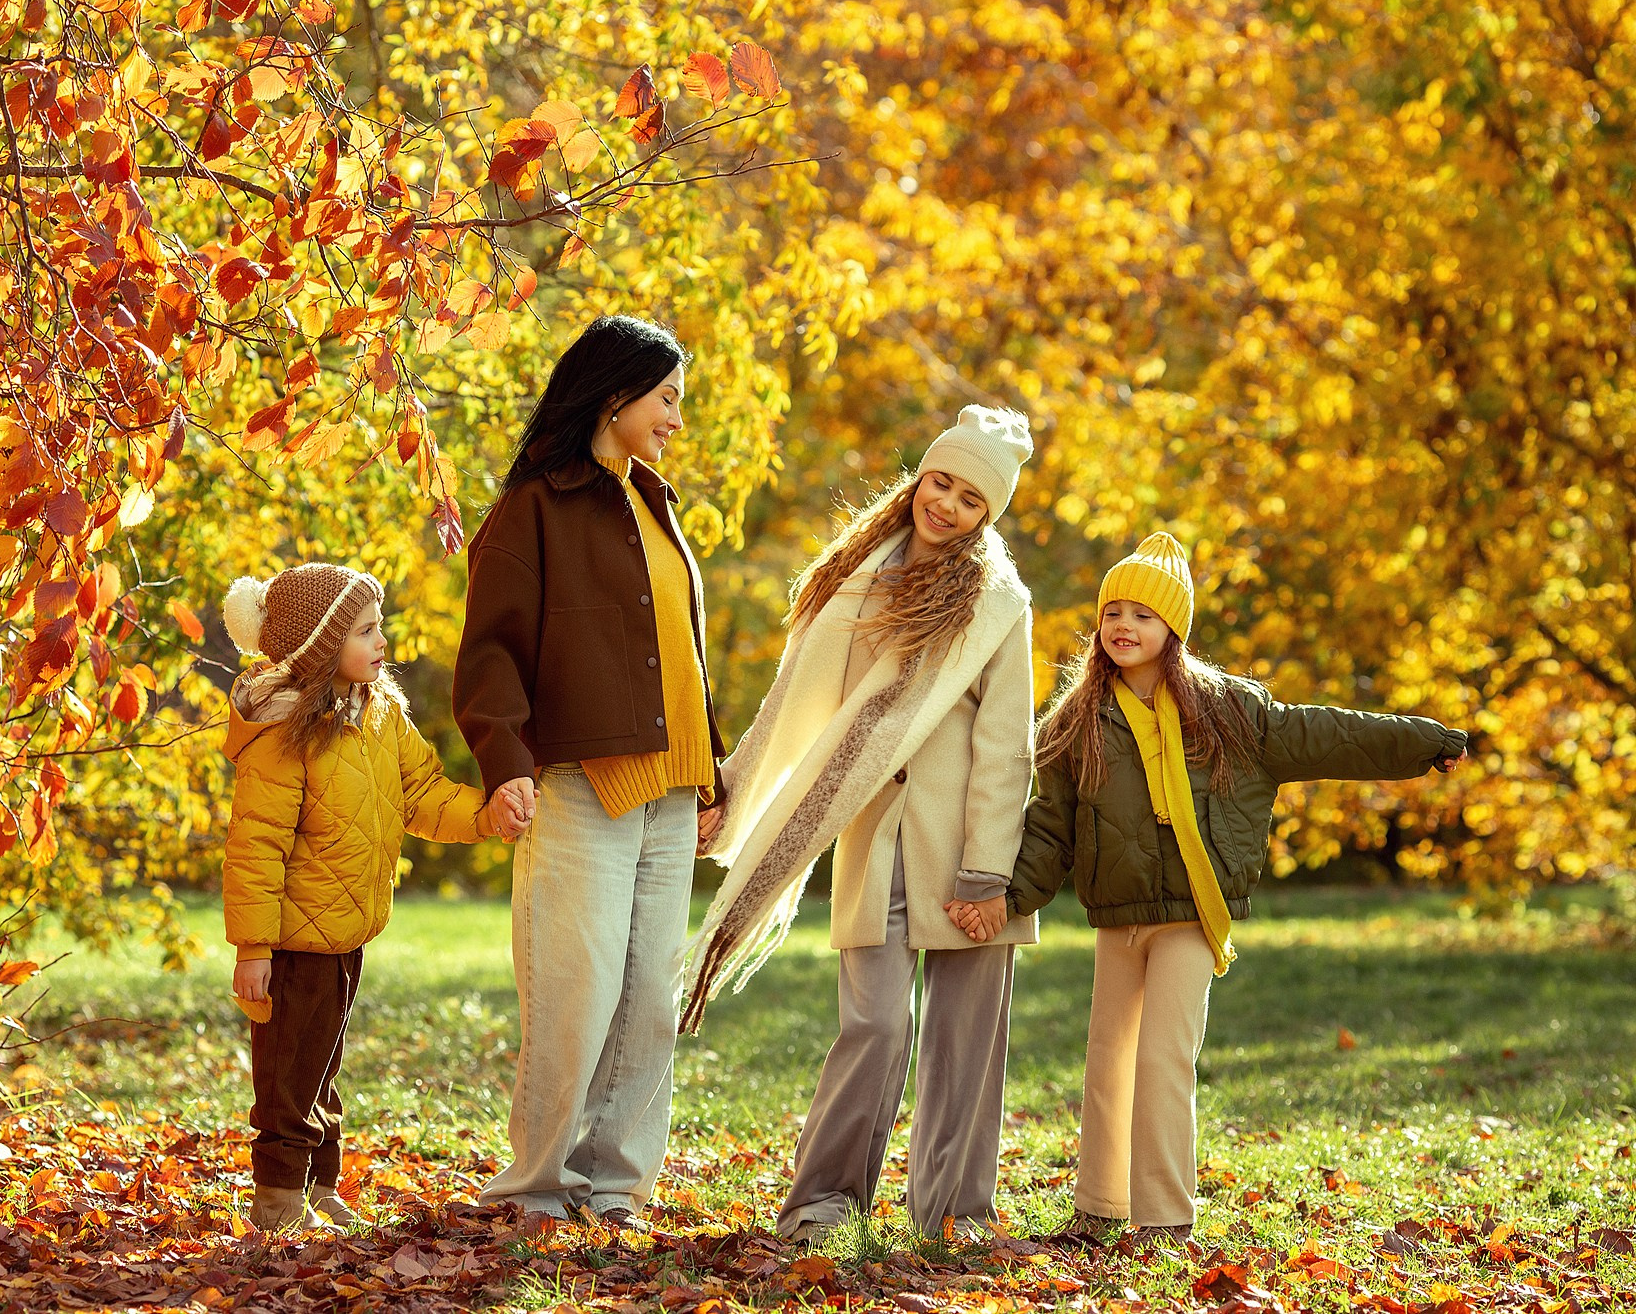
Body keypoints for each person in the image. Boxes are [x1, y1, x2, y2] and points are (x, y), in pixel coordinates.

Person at [1001, 532, 1468, 1248]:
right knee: (1108, 1056)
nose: (1123, 626)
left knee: (1163, 1057)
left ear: (1174, 629)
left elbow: (1329, 736)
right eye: (1112, 613)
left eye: (1142, 615)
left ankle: (1162, 1217)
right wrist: (1008, 899)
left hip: (1194, 912)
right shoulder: (1077, 722)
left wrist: (1419, 740)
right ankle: (1098, 1209)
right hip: (1118, 914)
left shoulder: (1231, 713)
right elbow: (1050, 829)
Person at [682, 405, 1039, 1245]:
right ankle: (824, 1199)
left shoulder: (1000, 603)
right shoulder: (858, 575)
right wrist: (735, 789)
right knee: (875, 1023)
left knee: (964, 1045)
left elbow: (1005, 747)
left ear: (989, 514)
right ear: (921, 476)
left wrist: (989, 872)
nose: (945, 505)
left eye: (970, 500)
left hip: (969, 852)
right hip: (873, 836)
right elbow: (796, 705)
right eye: (940, 482)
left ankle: (955, 1211)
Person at [453, 315, 729, 1236]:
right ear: (615, 397)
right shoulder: (534, 505)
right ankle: (536, 1186)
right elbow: (490, 653)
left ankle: (613, 1184)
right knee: (576, 990)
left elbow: (678, 652)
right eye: (666, 399)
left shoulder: (653, 499)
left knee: (649, 995)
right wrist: (504, 762)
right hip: (579, 781)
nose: (675, 420)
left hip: (669, 787)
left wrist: (712, 772)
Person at [219, 562, 532, 1233]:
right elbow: (256, 846)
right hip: (292, 943)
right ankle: (277, 1202)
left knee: (322, 1070)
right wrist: (253, 946)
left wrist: (485, 813)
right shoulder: (281, 732)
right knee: (287, 1081)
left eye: (378, 626)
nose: (380, 640)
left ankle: (321, 1185)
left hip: (345, 934)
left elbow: (421, 793)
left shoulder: (380, 711)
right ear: (322, 645)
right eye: (364, 630)